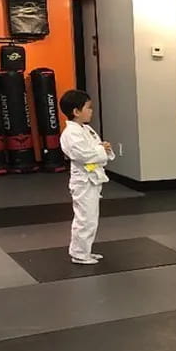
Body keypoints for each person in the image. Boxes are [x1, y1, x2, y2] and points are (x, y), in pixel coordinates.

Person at [59, 90, 114, 265]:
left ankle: (85, 250)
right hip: (83, 181)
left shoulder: (86, 129)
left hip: (93, 177)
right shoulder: (70, 134)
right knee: (85, 219)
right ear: (76, 111)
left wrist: (103, 147)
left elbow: (96, 148)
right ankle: (79, 253)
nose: (91, 111)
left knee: (91, 218)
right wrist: (100, 150)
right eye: (88, 108)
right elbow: (82, 154)